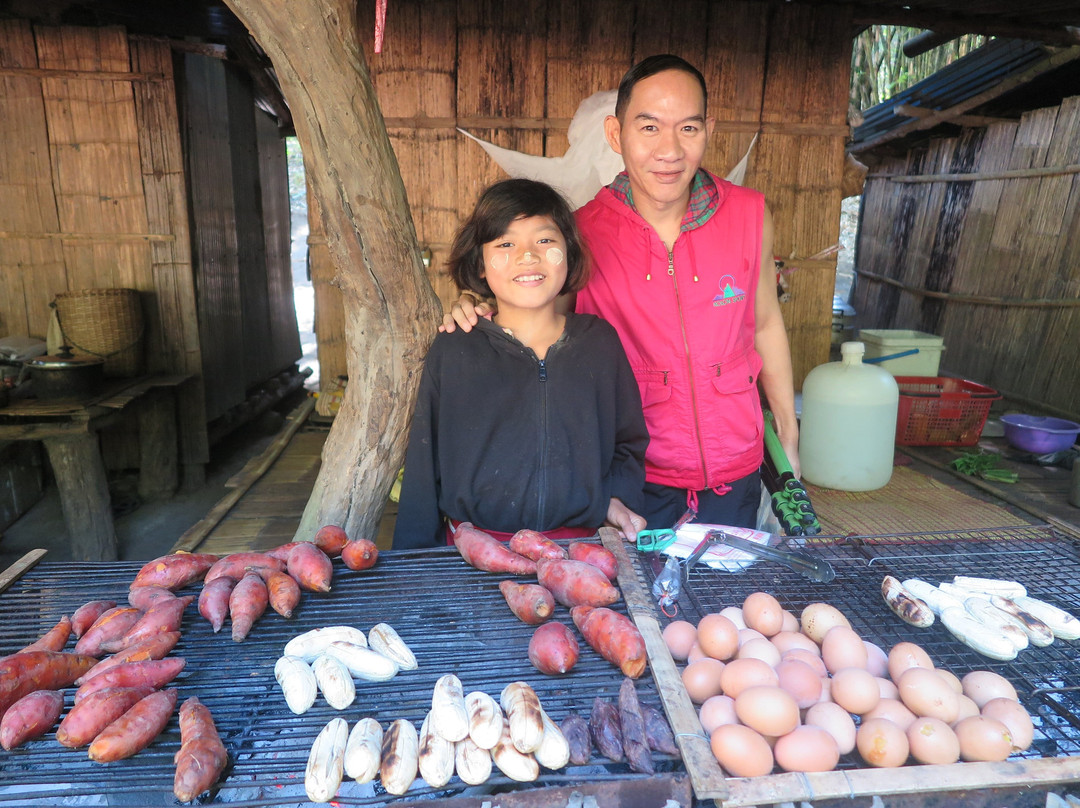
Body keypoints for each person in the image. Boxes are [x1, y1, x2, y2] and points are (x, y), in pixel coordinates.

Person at [444, 54, 800, 532]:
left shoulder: (750, 215)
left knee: (728, 604)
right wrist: (478, 309)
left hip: (734, 470)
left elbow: (767, 322)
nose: (669, 150)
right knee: (638, 603)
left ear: (708, 130)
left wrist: (789, 436)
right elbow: (537, 320)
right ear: (616, 134)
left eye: (688, 129)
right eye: (649, 128)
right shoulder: (585, 232)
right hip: (630, 479)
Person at [392, 178, 650, 550]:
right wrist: (414, 567)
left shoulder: (599, 343)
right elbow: (423, 464)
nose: (527, 256)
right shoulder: (455, 349)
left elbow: (628, 443)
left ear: (569, 252)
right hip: (474, 556)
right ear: (480, 264)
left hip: (580, 553)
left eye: (544, 240)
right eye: (506, 243)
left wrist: (616, 499)